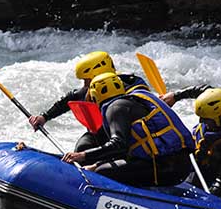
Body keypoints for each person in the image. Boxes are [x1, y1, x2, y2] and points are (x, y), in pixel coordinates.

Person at [61, 72, 194, 187]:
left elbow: (118, 144)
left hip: (165, 169)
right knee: (99, 166)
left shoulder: (115, 108)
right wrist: (94, 164)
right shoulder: (136, 98)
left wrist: (83, 155)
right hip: (180, 166)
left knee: (102, 171)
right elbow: (128, 149)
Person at [28, 51, 149, 151]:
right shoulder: (90, 90)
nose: (85, 85)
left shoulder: (131, 85)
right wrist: (44, 117)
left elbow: (146, 102)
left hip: (128, 138)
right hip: (102, 135)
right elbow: (69, 99)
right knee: (83, 147)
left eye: (87, 80)